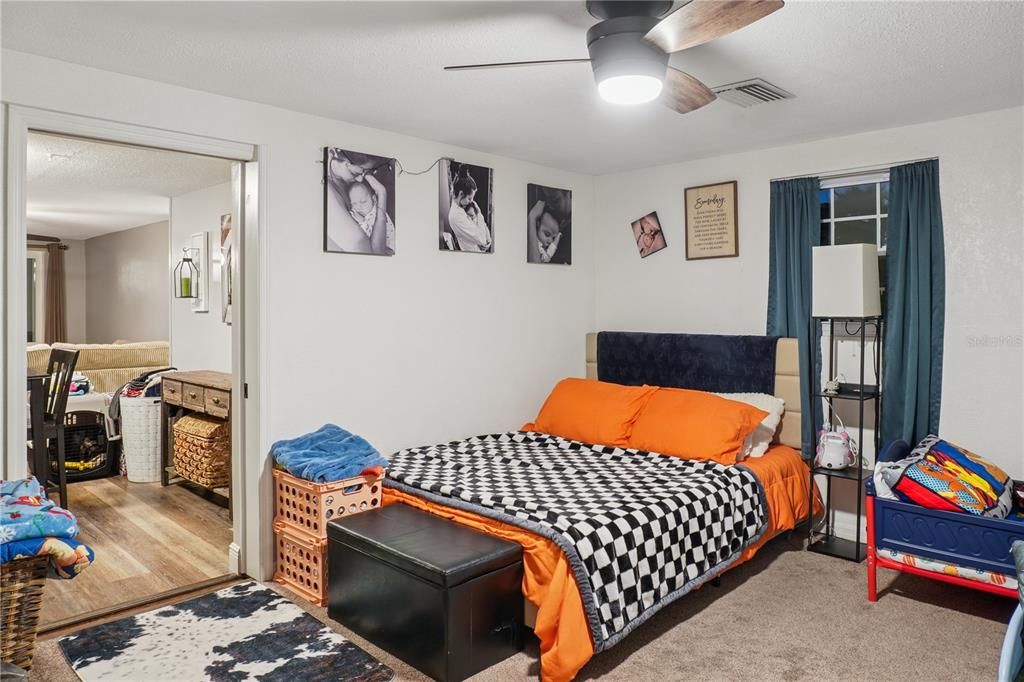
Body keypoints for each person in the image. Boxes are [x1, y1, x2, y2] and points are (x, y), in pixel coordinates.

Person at [446, 166, 492, 252]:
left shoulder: (467, 204)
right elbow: (481, 238)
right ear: (461, 194)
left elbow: (483, 225)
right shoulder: (455, 215)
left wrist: (489, 240)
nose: (472, 201)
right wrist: (478, 213)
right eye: (469, 198)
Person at [527, 199, 564, 264]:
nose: (550, 241)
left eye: (553, 238)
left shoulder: (542, 248)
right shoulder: (534, 243)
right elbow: (547, 257)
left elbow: (547, 256)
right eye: (547, 234)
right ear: (537, 225)